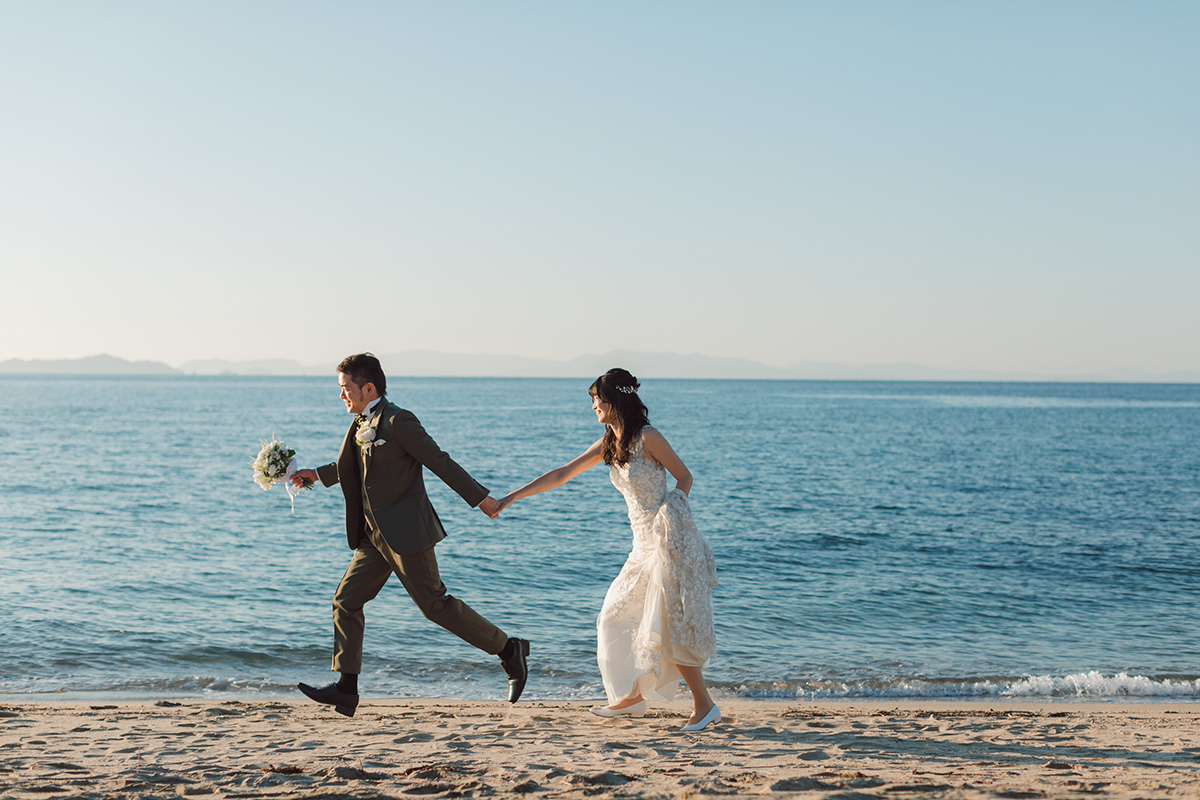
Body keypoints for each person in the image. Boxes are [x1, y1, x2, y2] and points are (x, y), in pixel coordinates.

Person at [290, 353, 529, 717]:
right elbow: (350, 466)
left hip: (407, 531)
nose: (341, 396)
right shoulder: (359, 424)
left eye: (345, 389)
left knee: (434, 606)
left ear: (368, 388)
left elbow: (439, 460)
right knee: (346, 600)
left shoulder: (399, 420)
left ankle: (508, 649)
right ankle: (346, 688)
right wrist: (315, 474)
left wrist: (483, 500)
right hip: (373, 536)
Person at [494, 368, 719, 731]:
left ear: (615, 400)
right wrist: (509, 497)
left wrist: (672, 518)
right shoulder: (610, 443)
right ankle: (630, 698)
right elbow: (562, 473)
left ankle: (704, 706)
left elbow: (685, 477)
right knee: (614, 616)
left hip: (665, 540)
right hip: (639, 546)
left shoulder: (648, 437)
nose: (594, 407)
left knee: (667, 622)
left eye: (597, 400)